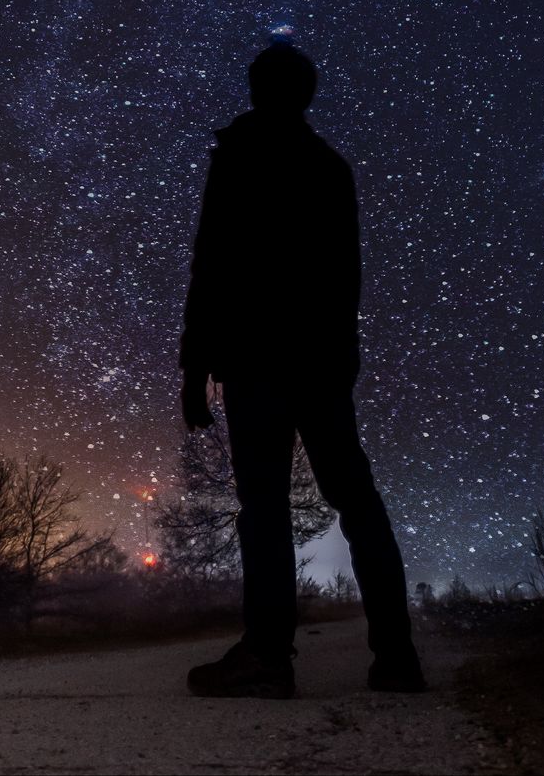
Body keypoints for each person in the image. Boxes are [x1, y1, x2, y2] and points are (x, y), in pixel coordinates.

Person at [179, 35, 425, 697]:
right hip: (318, 362)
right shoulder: (329, 166)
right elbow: (347, 278)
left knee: (263, 507)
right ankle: (396, 656)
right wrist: (342, 360)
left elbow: (214, 267)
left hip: (258, 360)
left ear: (263, 90)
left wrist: (193, 370)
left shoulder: (241, 155)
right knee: (357, 502)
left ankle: (266, 655)